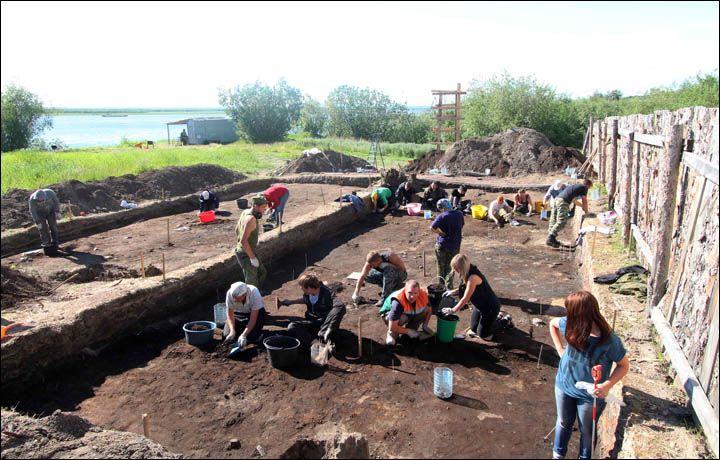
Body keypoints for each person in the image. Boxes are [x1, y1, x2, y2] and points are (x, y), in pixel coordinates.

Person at [548, 291, 629, 459]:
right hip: (564, 385)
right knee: (563, 422)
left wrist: (607, 385)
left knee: (587, 430)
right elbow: (553, 325)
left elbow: (623, 365)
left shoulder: (609, 341)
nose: (567, 315)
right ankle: (558, 455)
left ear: (580, 314)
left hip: (590, 396)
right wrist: (560, 349)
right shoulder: (570, 324)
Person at [441, 254, 512, 339]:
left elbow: (465, 298)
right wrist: (453, 292)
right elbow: (466, 288)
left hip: (489, 307)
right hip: (479, 306)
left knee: (484, 335)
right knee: (474, 329)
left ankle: (504, 321)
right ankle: (494, 319)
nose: (454, 270)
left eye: (456, 268)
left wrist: (453, 310)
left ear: (462, 267)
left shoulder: (473, 278)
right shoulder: (467, 271)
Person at [279, 274, 346, 349]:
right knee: (292, 326)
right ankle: (316, 343)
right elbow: (308, 300)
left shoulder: (327, 294)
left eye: (302, 287)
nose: (301, 288)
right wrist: (291, 302)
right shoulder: (308, 293)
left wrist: (330, 327)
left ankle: (321, 344)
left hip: (322, 324)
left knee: (298, 331)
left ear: (309, 288)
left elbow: (340, 306)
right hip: (311, 321)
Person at [379, 279, 434, 345]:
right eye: (409, 293)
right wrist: (408, 331)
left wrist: (425, 325)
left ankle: (410, 332)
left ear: (419, 292)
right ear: (405, 290)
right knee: (402, 318)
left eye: (415, 293)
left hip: (408, 312)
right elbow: (392, 326)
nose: (412, 296)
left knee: (424, 309)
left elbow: (429, 309)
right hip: (389, 315)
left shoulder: (423, 294)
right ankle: (392, 335)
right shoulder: (398, 301)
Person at [547, 179, 592, 248]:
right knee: (562, 221)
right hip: (563, 202)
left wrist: (582, 206)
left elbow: (574, 200)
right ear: (588, 185)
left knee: (554, 220)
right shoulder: (584, 187)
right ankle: (550, 238)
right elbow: (584, 200)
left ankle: (552, 238)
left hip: (557, 199)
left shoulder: (575, 186)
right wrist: (586, 212)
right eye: (590, 187)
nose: (588, 189)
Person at [235, 194, 268, 287]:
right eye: (263, 207)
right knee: (251, 281)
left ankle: (258, 291)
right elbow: (243, 241)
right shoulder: (251, 219)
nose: (265, 210)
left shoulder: (245, 212)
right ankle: (252, 297)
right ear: (255, 206)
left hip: (248, 249)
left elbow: (237, 229)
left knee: (262, 272)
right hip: (246, 253)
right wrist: (252, 258)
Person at [430, 199, 464, 289]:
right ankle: (449, 285)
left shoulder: (441, 217)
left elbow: (432, 227)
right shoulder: (459, 214)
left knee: (441, 266)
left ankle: (441, 286)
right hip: (455, 244)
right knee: (451, 266)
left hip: (442, 244)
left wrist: (439, 233)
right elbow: (462, 225)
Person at [223, 281, 267, 350]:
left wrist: (244, 335)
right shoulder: (230, 293)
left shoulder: (254, 293)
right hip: (239, 313)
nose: (234, 300)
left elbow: (253, 319)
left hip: (255, 313)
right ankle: (240, 330)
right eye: (234, 297)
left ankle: (256, 332)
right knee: (226, 335)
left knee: (251, 336)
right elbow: (230, 315)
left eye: (237, 298)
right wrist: (232, 331)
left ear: (245, 294)